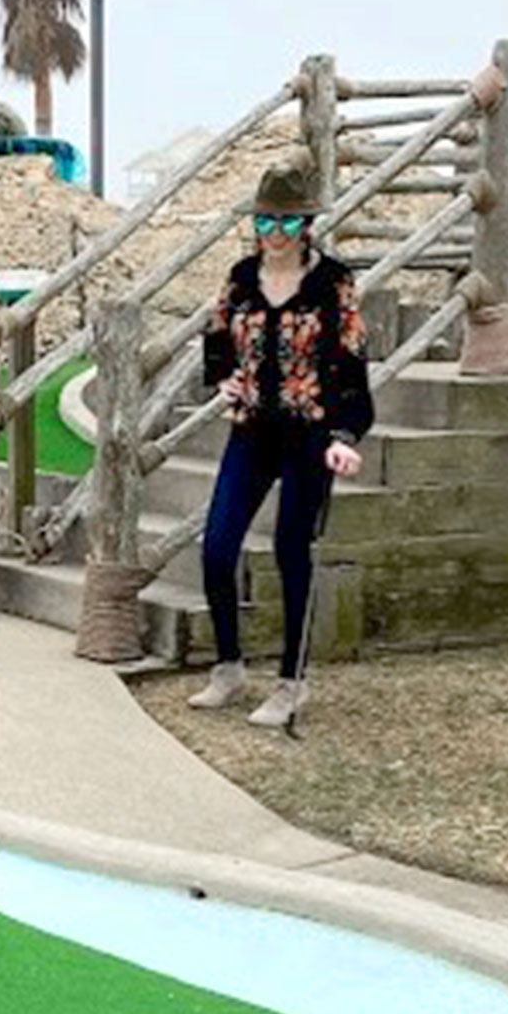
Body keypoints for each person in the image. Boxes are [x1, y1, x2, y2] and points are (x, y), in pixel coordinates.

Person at [188, 161, 371, 728]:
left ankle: (292, 682)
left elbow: (351, 369)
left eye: (288, 224)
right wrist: (223, 378)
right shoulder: (240, 278)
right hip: (251, 430)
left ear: (308, 226)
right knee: (217, 545)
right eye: (266, 222)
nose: (276, 234)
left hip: (310, 433)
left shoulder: (332, 283)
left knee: (293, 550)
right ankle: (228, 667)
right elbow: (216, 343)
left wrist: (344, 435)